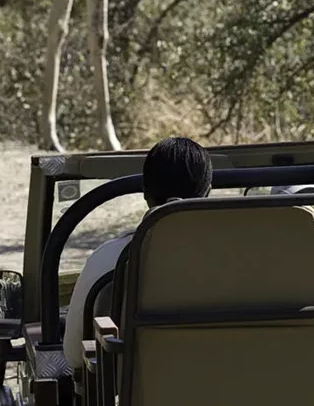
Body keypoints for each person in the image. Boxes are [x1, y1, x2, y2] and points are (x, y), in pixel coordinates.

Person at [62, 136, 213, 369]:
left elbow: (74, 355)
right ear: (208, 192)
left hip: (132, 393)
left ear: (145, 191)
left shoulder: (109, 260)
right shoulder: (240, 261)